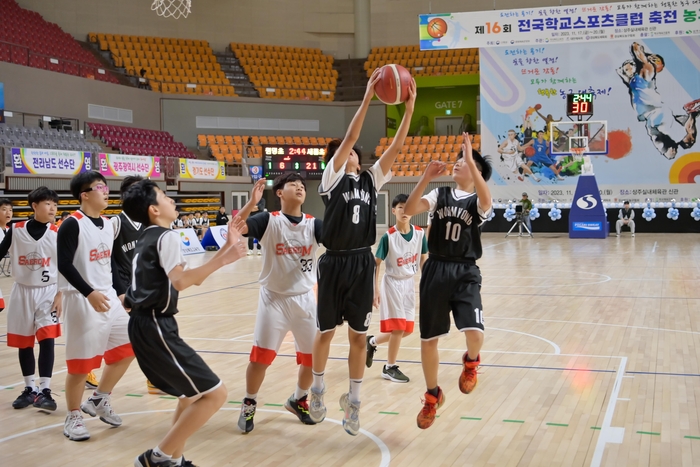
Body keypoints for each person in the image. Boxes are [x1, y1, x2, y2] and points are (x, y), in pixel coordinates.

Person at [308, 69, 417, 436]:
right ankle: (318, 392)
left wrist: (410, 106)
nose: (355, 152)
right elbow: (352, 135)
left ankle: (353, 404)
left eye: (355, 152)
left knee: (357, 337)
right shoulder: (332, 178)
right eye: (348, 151)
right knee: (325, 334)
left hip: (360, 261)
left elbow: (397, 147)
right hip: (334, 261)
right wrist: (369, 96)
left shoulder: (371, 179)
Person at [122, 179, 247, 467]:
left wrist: (227, 251)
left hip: (145, 324)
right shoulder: (168, 237)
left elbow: (195, 276)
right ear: (154, 209)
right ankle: (156, 458)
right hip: (155, 324)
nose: (172, 200)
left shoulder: (146, 237)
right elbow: (180, 280)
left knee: (190, 394)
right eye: (165, 197)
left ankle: (173, 460)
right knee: (217, 394)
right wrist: (224, 259)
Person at [404, 132, 493, 429]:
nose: (457, 164)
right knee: (428, 341)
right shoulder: (439, 195)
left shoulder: (479, 201)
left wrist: (471, 157)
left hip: (465, 270)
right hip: (436, 269)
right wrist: (426, 177)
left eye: (464, 162)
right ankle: (432, 396)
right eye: (456, 160)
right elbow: (409, 210)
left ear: (477, 172)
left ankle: (471, 362)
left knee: (476, 334)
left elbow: (485, 199)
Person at [232, 174, 323, 433]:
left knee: (310, 359)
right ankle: (249, 402)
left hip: (305, 300)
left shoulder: (314, 224)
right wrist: (251, 203)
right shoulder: (269, 220)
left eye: (303, 186)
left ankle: (298, 399)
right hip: (274, 300)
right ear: (280, 193)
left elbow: (339, 243)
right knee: (261, 359)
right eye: (293, 184)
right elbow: (236, 227)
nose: (300, 188)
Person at [57, 171, 135, 441]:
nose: (105, 191)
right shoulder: (72, 224)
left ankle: (100, 398)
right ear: (85, 194)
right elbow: (64, 264)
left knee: (131, 344)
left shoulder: (108, 224)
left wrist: (121, 293)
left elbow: (110, 262)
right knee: (80, 365)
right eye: (99, 187)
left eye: (105, 186)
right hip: (82, 299)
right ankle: (73, 415)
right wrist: (89, 292)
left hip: (109, 297)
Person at [0, 187, 61, 412]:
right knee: (24, 342)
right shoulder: (15, 230)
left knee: (47, 339)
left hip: (49, 291)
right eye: (48, 203)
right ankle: (29, 389)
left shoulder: (56, 232)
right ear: (34, 206)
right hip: (22, 291)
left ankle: (45, 390)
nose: (53, 208)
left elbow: (66, 265)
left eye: (55, 204)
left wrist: (61, 293)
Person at [366, 194, 427, 383]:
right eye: (400, 207)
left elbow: (424, 258)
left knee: (407, 330)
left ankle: (372, 342)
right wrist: (374, 290)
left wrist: (427, 282)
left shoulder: (419, 233)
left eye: (407, 207)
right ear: (394, 211)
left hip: (409, 283)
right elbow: (376, 263)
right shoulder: (388, 237)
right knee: (398, 328)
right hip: (392, 283)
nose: (404, 211)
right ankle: (389, 367)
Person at [617, 43, 700, 160]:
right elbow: (627, 78)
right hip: (650, 121)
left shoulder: (646, 72)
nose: (627, 70)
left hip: (659, 114)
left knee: (688, 141)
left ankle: (692, 113)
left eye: (629, 67)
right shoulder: (633, 81)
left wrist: (638, 50)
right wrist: (621, 72)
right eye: (625, 69)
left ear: (636, 65)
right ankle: (687, 118)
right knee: (670, 154)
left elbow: (638, 53)